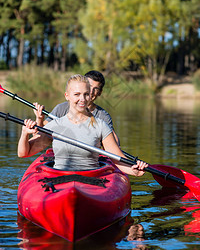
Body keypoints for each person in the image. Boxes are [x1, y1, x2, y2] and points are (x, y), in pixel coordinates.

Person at [18, 74, 148, 176]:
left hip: (91, 180)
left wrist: (135, 170)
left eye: (86, 94)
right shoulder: (55, 126)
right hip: (59, 179)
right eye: (77, 94)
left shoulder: (101, 126)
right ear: (67, 96)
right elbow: (24, 153)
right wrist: (24, 133)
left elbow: (117, 160)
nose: (82, 99)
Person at [34, 70, 120, 144]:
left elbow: (115, 143)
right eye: (89, 87)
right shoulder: (61, 108)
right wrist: (39, 119)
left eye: (96, 89)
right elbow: (38, 136)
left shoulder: (103, 116)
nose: (91, 92)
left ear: (100, 92)